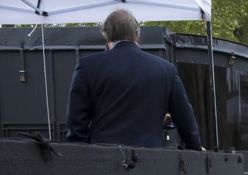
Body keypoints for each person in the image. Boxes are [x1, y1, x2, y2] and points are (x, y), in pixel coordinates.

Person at [66, 9, 201, 150]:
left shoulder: (87, 66)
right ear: (137, 35)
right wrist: (195, 147)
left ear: (107, 37)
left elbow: (76, 128)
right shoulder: (166, 70)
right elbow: (187, 124)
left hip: (102, 162)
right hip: (152, 162)